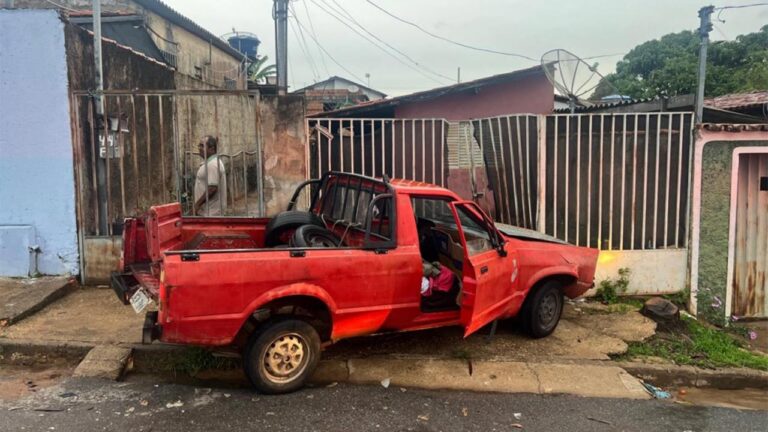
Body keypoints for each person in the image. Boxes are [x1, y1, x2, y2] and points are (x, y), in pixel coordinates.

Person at [193, 135, 228, 216]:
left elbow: (212, 189)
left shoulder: (212, 164)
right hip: (208, 211)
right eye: (199, 145)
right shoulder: (210, 163)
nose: (199, 148)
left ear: (211, 149)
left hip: (210, 213)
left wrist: (197, 205)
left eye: (202, 146)